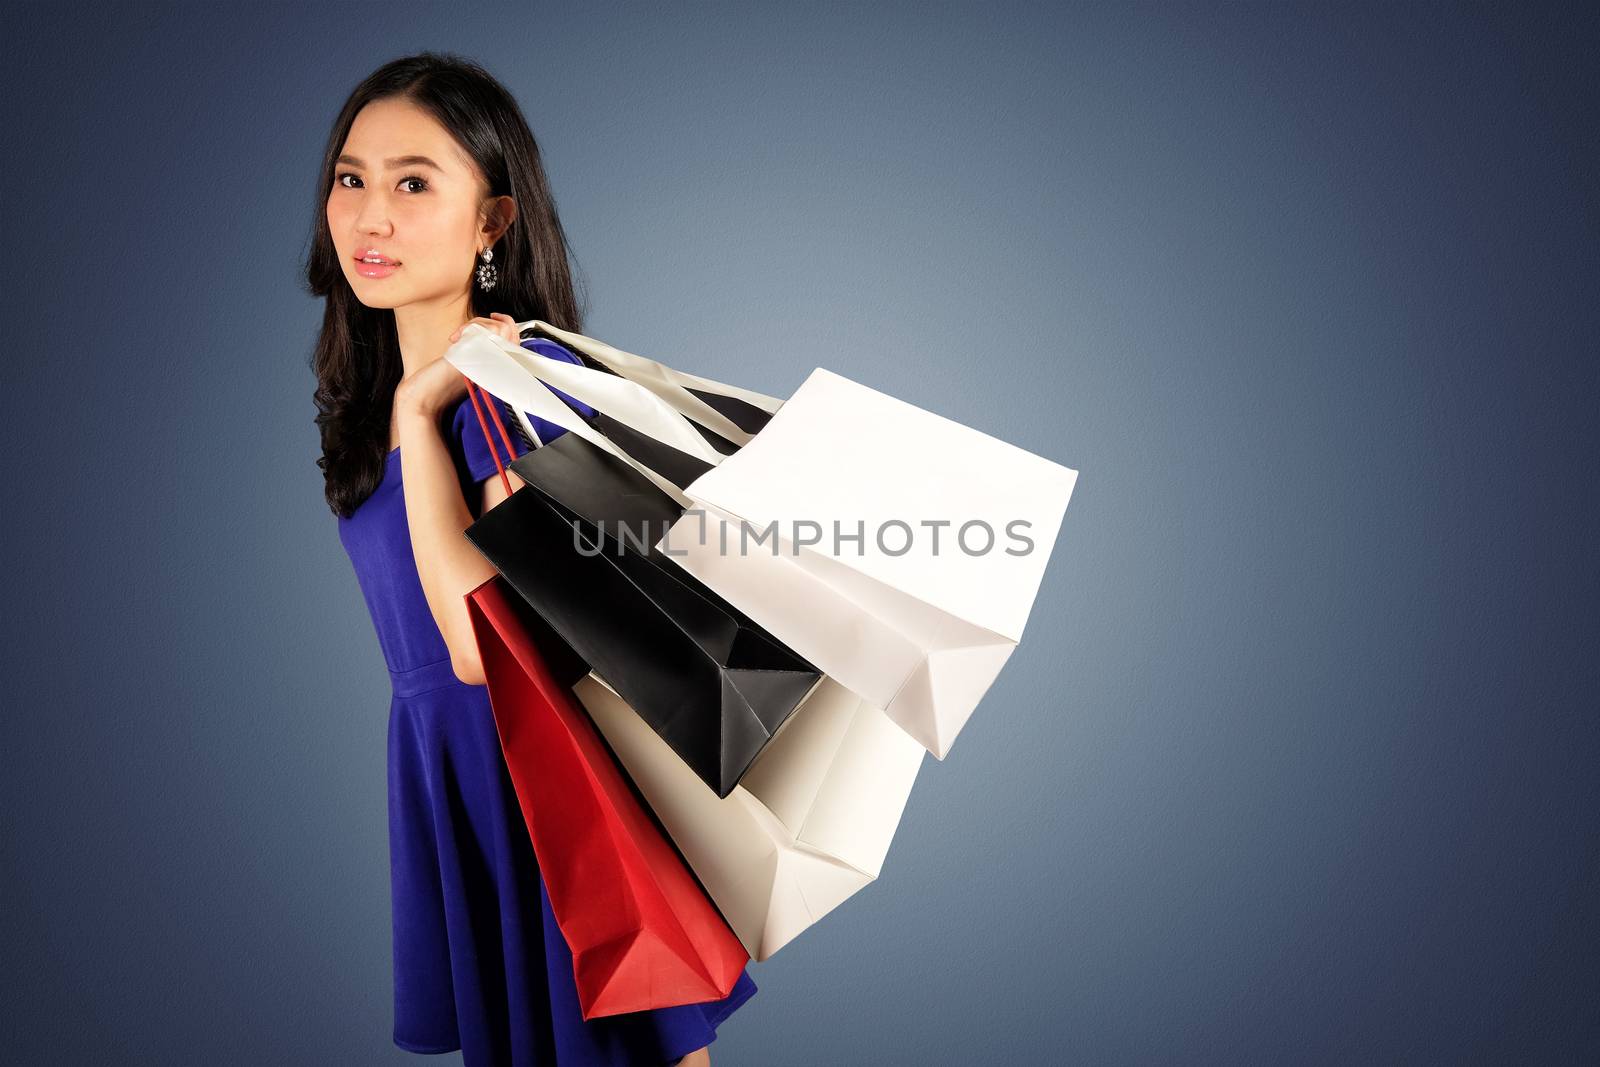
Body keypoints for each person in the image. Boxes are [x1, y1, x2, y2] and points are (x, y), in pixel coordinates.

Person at [304, 52, 757, 1065]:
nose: (370, 216)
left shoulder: (517, 387)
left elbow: (483, 645)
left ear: (493, 221)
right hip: (454, 772)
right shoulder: (377, 404)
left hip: (540, 777)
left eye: (414, 182)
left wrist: (425, 424)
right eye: (351, 178)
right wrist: (410, 410)